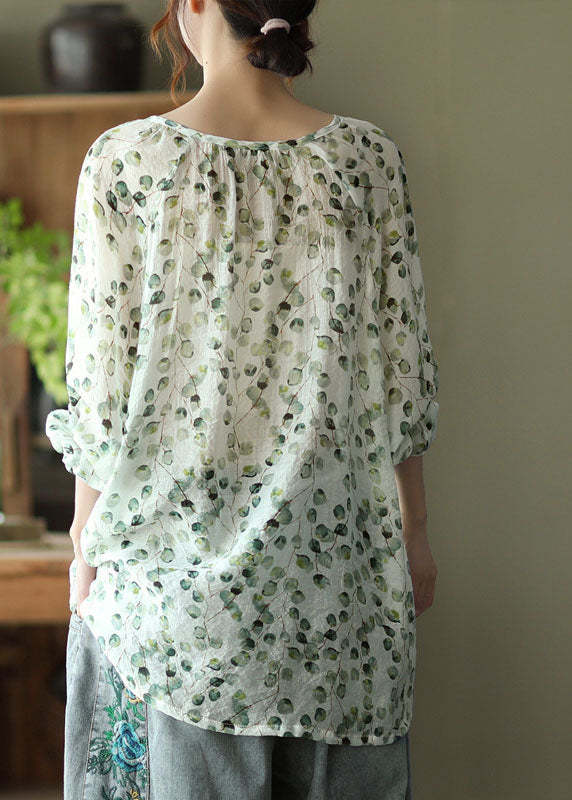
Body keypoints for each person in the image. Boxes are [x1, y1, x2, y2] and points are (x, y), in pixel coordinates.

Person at [45, 1, 440, 797]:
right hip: (337, 605)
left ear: (196, 4)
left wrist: (85, 544)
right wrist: (415, 535)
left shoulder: (126, 161)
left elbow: (102, 395)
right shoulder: (367, 159)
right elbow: (404, 377)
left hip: (171, 610)